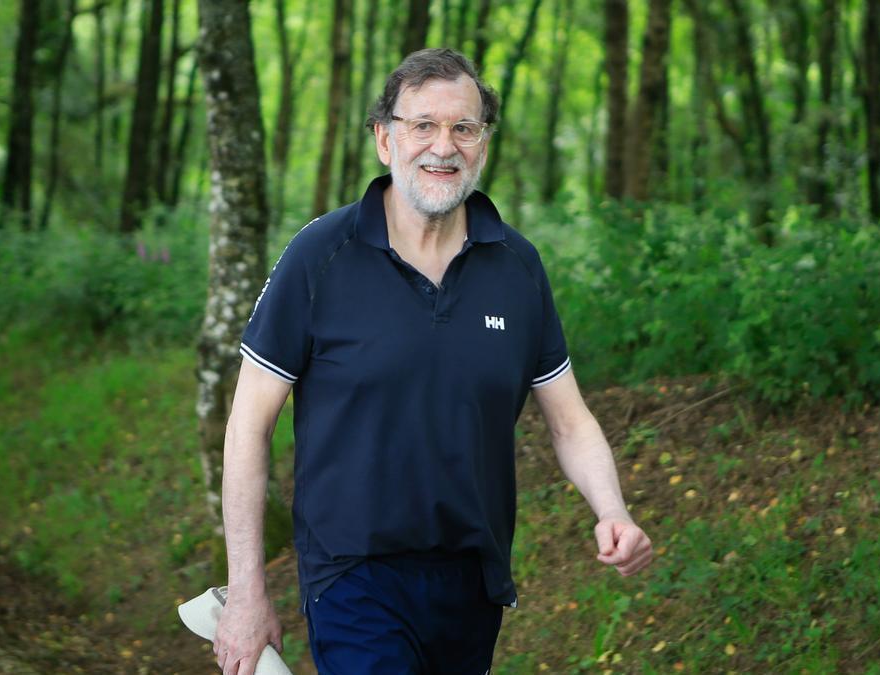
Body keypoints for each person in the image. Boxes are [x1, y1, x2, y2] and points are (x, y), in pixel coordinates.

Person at [213, 48, 652, 675]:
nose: (443, 145)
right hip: (352, 574)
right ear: (385, 140)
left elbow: (570, 421)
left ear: (483, 143)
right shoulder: (319, 257)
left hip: (473, 581)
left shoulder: (517, 267)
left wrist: (613, 510)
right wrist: (247, 591)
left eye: (463, 128)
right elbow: (247, 429)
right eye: (423, 124)